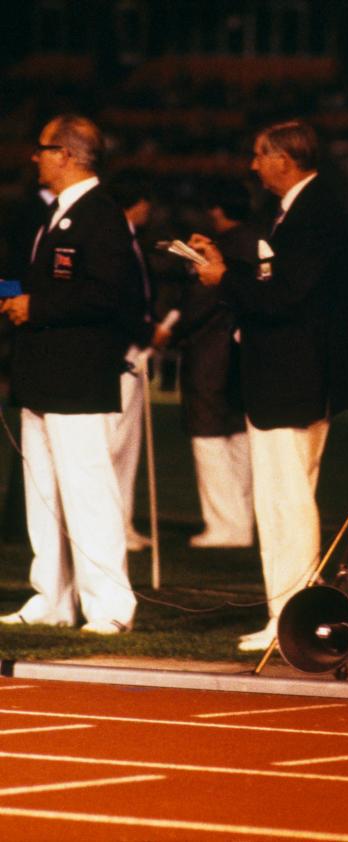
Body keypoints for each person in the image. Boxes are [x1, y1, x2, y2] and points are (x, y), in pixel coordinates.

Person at [188, 120, 348, 652]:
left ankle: (290, 616)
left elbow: (284, 296)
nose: (254, 167)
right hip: (294, 377)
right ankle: (287, 612)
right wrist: (225, 265)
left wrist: (223, 282)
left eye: (260, 155)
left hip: (291, 378)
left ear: (284, 157)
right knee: (287, 498)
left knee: (286, 502)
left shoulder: (314, 212)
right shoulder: (305, 210)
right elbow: (278, 281)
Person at [0, 114, 143, 633]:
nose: (34, 157)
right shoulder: (59, 213)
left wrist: (36, 306)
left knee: (87, 491)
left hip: (77, 375)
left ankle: (109, 605)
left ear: (67, 154)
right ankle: (51, 597)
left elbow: (109, 295)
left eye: (42, 148)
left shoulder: (100, 214)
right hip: (45, 373)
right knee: (44, 491)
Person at [168, 178, 255, 549]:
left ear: (217, 210)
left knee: (208, 437)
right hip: (246, 355)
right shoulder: (257, 240)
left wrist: (171, 330)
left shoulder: (221, 248)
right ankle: (242, 521)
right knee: (240, 436)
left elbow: (198, 306)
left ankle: (225, 525)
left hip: (210, 354)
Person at [106, 171, 168, 552]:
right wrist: (147, 332)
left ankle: (122, 523)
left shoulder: (131, 241)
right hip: (121, 351)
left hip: (133, 349)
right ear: (138, 203)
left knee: (126, 447)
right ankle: (114, 525)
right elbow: (119, 301)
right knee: (113, 445)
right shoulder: (116, 242)